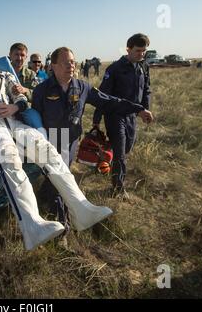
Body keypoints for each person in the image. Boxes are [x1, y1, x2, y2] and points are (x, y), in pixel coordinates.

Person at [0, 43, 114, 251]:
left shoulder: (5, 75)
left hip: (15, 120)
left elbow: (20, 96)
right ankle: (32, 225)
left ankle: (81, 209)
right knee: (11, 162)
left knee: (50, 154)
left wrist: (14, 106)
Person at [31, 46, 153, 234]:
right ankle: (63, 226)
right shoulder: (41, 90)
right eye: (65, 62)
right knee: (62, 180)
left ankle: (46, 197)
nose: (70, 65)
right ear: (53, 66)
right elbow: (34, 118)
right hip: (50, 141)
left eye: (72, 61)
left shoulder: (82, 87)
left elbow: (110, 101)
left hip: (70, 141)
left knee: (58, 178)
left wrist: (137, 109)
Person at [92, 33, 152, 196]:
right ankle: (118, 188)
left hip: (133, 115)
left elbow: (146, 89)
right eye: (138, 51)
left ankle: (104, 158)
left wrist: (145, 109)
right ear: (128, 49)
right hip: (115, 115)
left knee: (126, 147)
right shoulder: (115, 69)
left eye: (144, 51)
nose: (141, 54)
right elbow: (102, 95)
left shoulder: (143, 67)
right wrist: (97, 119)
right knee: (120, 152)